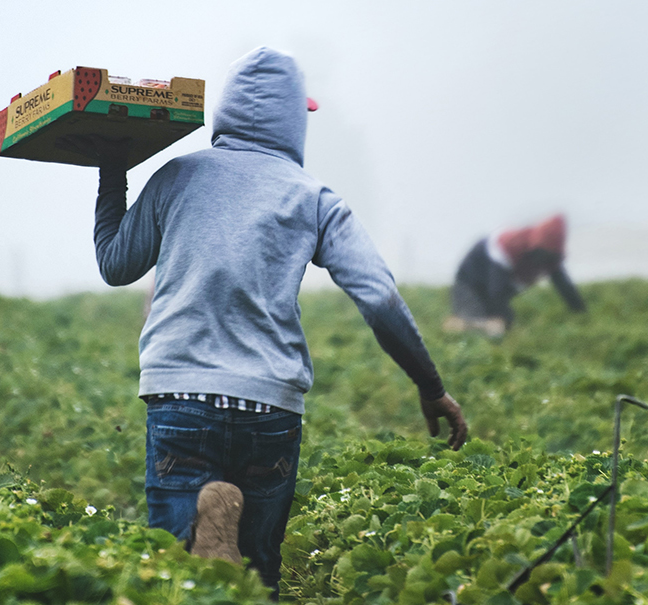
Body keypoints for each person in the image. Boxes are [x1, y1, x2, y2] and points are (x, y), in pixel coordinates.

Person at [63, 47, 467, 594]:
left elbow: (115, 265)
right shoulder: (315, 199)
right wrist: (430, 386)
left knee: (174, 580)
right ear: (295, 120)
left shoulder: (178, 176)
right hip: (269, 405)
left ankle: (204, 536)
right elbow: (378, 297)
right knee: (260, 579)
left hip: (181, 394)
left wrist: (112, 171)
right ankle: (234, 554)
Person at [446, 214, 586, 338]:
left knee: (501, 324)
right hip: (470, 280)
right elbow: (497, 290)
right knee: (484, 326)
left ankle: (472, 323)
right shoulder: (509, 245)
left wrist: (580, 313)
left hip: (499, 285)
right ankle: (456, 325)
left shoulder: (549, 254)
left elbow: (563, 285)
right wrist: (500, 317)